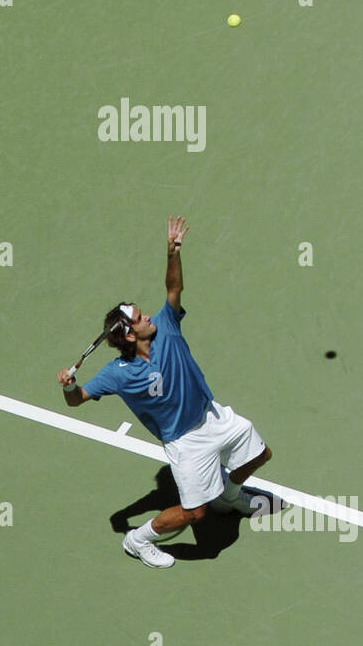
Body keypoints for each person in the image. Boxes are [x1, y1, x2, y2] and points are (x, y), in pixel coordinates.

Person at [56, 216, 272, 568]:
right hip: (184, 442)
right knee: (194, 514)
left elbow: (173, 289)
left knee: (259, 454)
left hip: (211, 416)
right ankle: (138, 541)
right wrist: (70, 386)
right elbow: (77, 400)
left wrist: (173, 252)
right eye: (140, 318)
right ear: (128, 335)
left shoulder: (167, 328)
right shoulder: (117, 375)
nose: (148, 317)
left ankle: (229, 496)